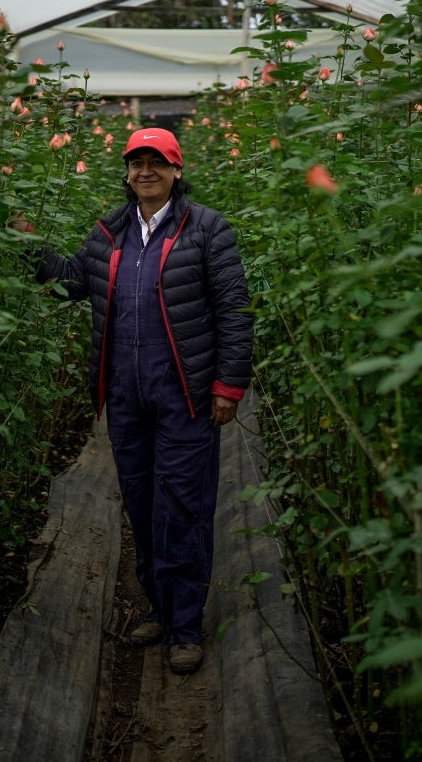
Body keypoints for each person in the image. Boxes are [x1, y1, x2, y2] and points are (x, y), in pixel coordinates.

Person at [22, 126, 253, 675]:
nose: (145, 171)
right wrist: (29, 245)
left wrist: (227, 386)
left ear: (176, 170)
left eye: (157, 162)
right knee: (143, 502)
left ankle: (184, 626)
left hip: (185, 394)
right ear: (127, 171)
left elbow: (234, 312)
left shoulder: (207, 231)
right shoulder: (111, 231)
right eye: (136, 162)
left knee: (183, 505)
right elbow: (76, 282)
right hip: (126, 394)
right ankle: (156, 606)